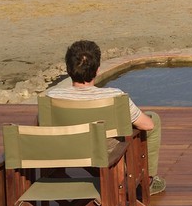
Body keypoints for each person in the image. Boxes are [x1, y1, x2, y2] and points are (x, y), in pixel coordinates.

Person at [47, 40, 165, 195]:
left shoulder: (52, 97)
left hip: (68, 149)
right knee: (153, 119)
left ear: (68, 69)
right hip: (107, 151)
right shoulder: (114, 96)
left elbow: (43, 126)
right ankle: (145, 181)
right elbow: (147, 125)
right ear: (97, 70)